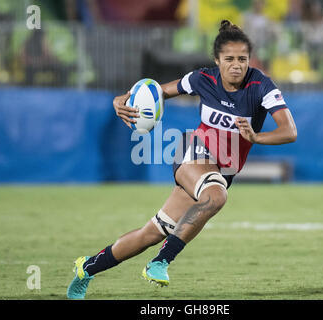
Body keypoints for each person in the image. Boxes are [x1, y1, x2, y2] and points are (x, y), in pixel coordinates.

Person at [67, 19, 297, 299]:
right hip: (194, 153)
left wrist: (257, 138)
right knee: (216, 196)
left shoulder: (262, 86)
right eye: (229, 59)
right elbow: (158, 91)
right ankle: (161, 262)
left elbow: (289, 131)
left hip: (224, 169)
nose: (236, 65)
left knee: (151, 233)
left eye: (242, 59)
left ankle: (86, 269)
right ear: (217, 59)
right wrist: (124, 99)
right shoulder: (203, 78)